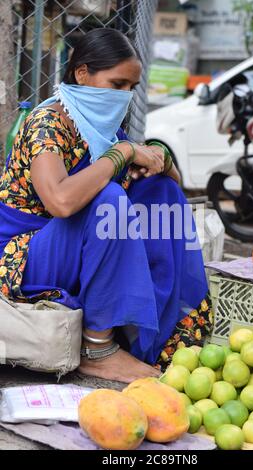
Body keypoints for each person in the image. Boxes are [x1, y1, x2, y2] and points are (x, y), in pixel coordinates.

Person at [0, 28, 213, 383]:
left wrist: (164, 161)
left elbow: (167, 187)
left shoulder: (103, 130)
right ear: (82, 74)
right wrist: (125, 152)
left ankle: (151, 332)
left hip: (69, 247)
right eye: (117, 85)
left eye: (132, 88)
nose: (125, 97)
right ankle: (97, 350)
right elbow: (62, 201)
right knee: (111, 201)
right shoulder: (48, 122)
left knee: (160, 194)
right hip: (22, 254)